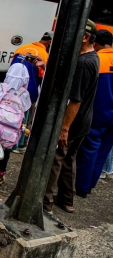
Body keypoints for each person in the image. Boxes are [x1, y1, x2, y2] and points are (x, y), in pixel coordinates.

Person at [43, 20, 99, 214]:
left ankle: (46, 203)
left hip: (74, 121)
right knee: (69, 160)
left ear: (85, 37)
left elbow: (75, 100)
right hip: (83, 121)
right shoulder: (93, 57)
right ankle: (67, 200)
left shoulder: (83, 63)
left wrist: (64, 128)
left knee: (56, 158)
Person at [0, 63, 32, 193]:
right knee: (6, 152)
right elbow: (25, 112)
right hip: (11, 132)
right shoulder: (24, 93)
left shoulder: (1, 87)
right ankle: (0, 174)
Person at [75, 29, 113, 196]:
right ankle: (91, 185)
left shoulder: (98, 59)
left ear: (95, 43)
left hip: (98, 112)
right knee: (103, 150)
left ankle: (82, 187)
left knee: (89, 149)